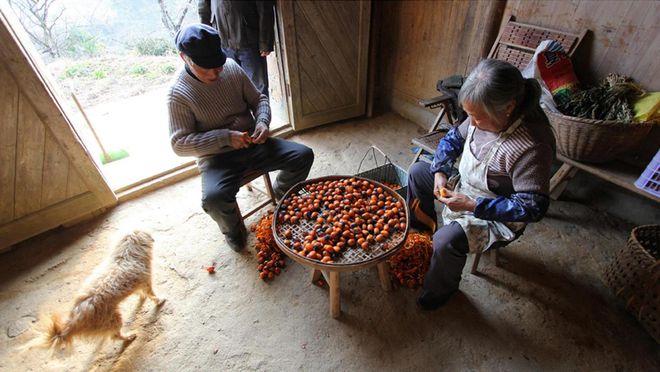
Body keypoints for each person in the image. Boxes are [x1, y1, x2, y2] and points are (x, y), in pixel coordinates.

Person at [407, 59, 556, 310]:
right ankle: (421, 238)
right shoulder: (483, 115)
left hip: (496, 213)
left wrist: (474, 205)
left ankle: (439, 291)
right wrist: (441, 171)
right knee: (418, 170)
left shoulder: (531, 145)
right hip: (468, 187)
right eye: (469, 115)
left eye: (477, 117)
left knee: (446, 240)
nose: (472, 123)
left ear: (508, 107)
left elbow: (533, 207)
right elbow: (452, 140)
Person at [167, 24, 314, 251]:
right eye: (206, 68)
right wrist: (225, 137)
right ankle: (233, 231)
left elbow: (259, 100)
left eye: (218, 64)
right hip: (217, 158)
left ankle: (281, 196)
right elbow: (179, 144)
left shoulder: (231, 68)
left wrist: (263, 122)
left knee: (304, 155)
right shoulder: (178, 94)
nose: (216, 72)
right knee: (213, 200)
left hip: (253, 143)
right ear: (184, 58)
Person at [198, 0, 274, 96]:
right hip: (222, 40)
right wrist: (208, 41)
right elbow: (203, 10)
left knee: (258, 86)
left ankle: (261, 111)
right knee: (231, 87)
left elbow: (264, 6)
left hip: (249, 39)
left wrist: (265, 42)